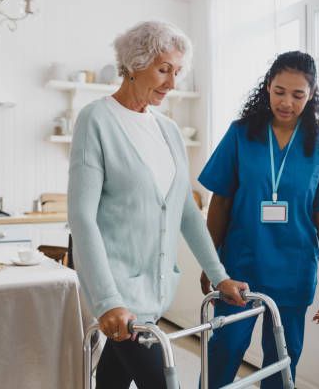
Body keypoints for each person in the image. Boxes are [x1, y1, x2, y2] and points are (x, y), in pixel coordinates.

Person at [68, 21, 248, 389]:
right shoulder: (96, 119)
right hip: (118, 295)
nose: (172, 82)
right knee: (162, 380)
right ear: (134, 64)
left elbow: (186, 213)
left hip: (156, 292)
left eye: (177, 71)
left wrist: (220, 275)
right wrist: (107, 301)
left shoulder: (168, 131)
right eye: (164, 69)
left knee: (113, 378)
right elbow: (82, 218)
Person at [198, 51, 319, 388]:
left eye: (298, 95)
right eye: (279, 91)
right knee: (225, 348)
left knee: (283, 358)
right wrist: (211, 264)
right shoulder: (241, 134)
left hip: (293, 270)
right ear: (267, 87)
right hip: (240, 266)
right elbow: (220, 202)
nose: (287, 102)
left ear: (311, 96)